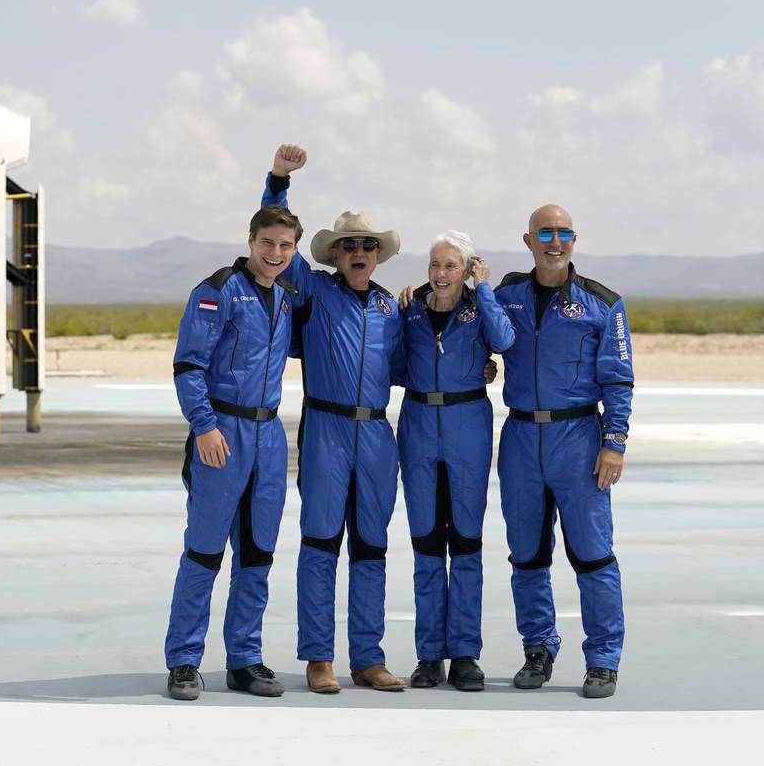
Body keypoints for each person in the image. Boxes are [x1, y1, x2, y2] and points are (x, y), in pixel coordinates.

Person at [263, 145, 408, 694]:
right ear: (334, 254)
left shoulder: (393, 308)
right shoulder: (313, 289)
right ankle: (319, 658)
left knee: (371, 546)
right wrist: (279, 180)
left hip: (376, 434)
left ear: (377, 255)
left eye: (367, 246)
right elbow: (277, 236)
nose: (358, 252)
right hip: (325, 430)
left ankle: (368, 658)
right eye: (348, 245)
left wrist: (480, 364)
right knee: (321, 542)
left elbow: (415, 363)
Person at [494, 204, 633, 699]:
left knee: (593, 555)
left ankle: (602, 660)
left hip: (578, 440)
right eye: (545, 233)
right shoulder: (505, 295)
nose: (556, 242)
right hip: (519, 439)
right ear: (528, 240)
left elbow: (618, 380)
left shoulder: (602, 304)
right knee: (527, 555)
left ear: (574, 240)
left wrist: (613, 443)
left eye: (564, 233)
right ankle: (538, 649)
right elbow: (470, 325)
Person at [164, 203, 302, 701]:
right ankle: (184, 659)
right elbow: (188, 364)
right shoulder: (218, 290)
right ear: (251, 240)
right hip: (221, 433)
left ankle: (244, 659)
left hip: (269, 439)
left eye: (286, 246)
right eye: (268, 243)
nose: (276, 253)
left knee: (258, 554)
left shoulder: (288, 296)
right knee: (204, 551)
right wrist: (203, 426)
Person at [395, 231, 515, 691]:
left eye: (450, 266)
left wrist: (484, 290)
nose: (440, 274)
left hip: (468, 428)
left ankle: (465, 653)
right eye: (434, 265)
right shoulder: (412, 309)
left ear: (466, 269)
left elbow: (504, 340)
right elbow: (393, 365)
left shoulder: (479, 308)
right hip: (418, 426)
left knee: (465, 542)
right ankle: (429, 655)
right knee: (426, 542)